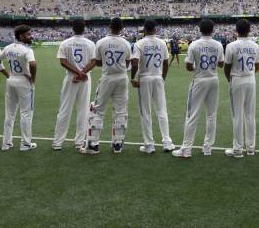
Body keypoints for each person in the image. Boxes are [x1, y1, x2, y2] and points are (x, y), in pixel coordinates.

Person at [172, 19, 224, 158]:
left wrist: (197, 67)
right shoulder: (218, 44)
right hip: (213, 79)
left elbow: (189, 66)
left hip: (200, 80)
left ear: (200, 30)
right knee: (211, 115)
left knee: (192, 114)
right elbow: (221, 64)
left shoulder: (194, 44)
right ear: (213, 30)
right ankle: (207, 147)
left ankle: (186, 149)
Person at [83, 17, 131, 155]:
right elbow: (127, 63)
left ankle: (93, 145)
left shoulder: (101, 42)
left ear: (110, 26)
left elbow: (97, 62)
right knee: (121, 110)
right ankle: (117, 145)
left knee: (98, 110)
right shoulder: (126, 43)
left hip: (107, 77)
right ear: (121, 28)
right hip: (122, 77)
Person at [130, 19, 175, 153]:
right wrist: (162, 78)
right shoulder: (162, 43)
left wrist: (133, 78)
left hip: (144, 78)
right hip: (157, 77)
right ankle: (167, 142)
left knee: (146, 112)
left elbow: (134, 63)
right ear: (156, 29)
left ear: (144, 30)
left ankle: (149, 145)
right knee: (162, 111)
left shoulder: (139, 43)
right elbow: (166, 63)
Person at [52, 19, 97, 151]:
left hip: (71, 77)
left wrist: (77, 73)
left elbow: (63, 62)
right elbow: (94, 61)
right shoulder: (90, 43)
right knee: (83, 110)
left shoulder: (66, 43)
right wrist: (82, 73)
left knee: (65, 109)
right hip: (85, 78)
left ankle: (57, 143)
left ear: (72, 28)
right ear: (84, 29)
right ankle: (79, 142)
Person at [0, 25, 37, 152]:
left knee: (10, 113)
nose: (30, 36)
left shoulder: (8, 48)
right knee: (26, 113)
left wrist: (6, 74)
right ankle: (25, 144)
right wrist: (33, 78)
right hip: (23, 81)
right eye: (28, 34)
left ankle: (6, 144)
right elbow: (33, 64)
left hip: (11, 80)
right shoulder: (27, 50)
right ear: (21, 36)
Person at [223, 19, 259, 158]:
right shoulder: (255, 46)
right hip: (250, 79)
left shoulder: (231, 46)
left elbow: (226, 67)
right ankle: (251, 148)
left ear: (236, 30)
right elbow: (257, 67)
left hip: (237, 79)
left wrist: (230, 81)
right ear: (249, 30)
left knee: (237, 115)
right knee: (250, 115)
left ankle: (238, 149)